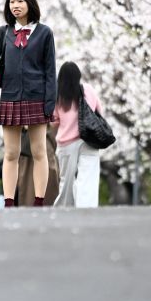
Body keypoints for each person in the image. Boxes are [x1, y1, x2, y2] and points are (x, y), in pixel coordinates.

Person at [0, 0, 57, 208]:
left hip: (37, 98)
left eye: (20, 1)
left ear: (30, 3)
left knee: (39, 152)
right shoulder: (3, 32)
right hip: (9, 97)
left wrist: (50, 103)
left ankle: (38, 201)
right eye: (11, 1)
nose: (15, 5)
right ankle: (9, 202)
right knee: (11, 153)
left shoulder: (44, 32)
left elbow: (50, 71)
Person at [52, 62, 103, 208]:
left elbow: (54, 121)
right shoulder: (88, 90)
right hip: (89, 141)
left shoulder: (58, 96)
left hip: (66, 144)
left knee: (66, 182)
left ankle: (63, 209)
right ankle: (86, 208)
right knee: (88, 178)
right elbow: (99, 111)